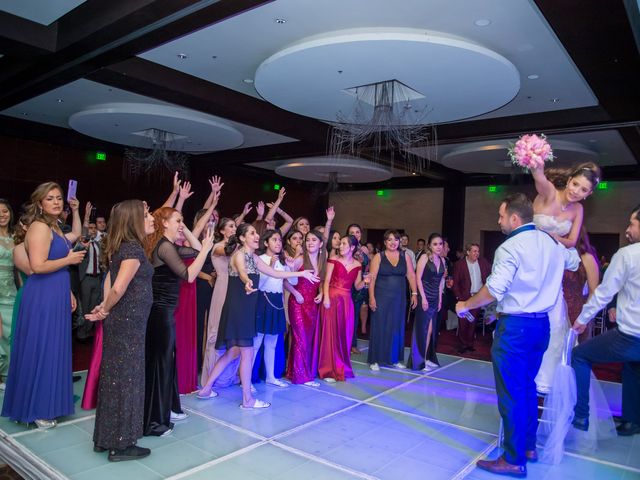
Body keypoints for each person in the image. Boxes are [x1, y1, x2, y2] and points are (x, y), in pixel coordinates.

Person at [456, 193, 580, 477]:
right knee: (527, 388)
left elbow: (494, 290)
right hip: (542, 328)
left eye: (501, 216)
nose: (498, 221)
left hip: (515, 328)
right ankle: (528, 447)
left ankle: (513, 459)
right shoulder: (551, 243)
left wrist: (466, 304)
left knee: (511, 394)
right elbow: (574, 260)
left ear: (514, 218)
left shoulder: (510, 247)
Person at [197, 223, 319, 408]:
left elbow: (275, 273)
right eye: (252, 233)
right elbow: (243, 273)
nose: (256, 236)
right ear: (242, 238)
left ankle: (206, 389)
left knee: (233, 352)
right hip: (239, 309)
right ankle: (247, 400)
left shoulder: (254, 257)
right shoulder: (239, 255)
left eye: (256, 233)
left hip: (245, 308)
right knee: (247, 352)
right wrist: (246, 282)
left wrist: (301, 272)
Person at [2, 182, 85, 429]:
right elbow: (37, 266)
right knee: (42, 348)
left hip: (56, 291)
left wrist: (68, 291)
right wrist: (69, 259)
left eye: (59, 198)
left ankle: (46, 404)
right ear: (40, 204)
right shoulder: (39, 227)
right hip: (42, 295)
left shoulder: (55, 227)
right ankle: (36, 409)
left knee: (53, 348)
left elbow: (69, 244)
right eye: (50, 199)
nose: (57, 202)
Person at [85, 200, 155, 461]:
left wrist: (105, 308)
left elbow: (110, 282)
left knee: (115, 378)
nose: (152, 219)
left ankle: (105, 439)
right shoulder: (133, 250)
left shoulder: (123, 247)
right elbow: (118, 287)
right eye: (146, 215)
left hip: (123, 322)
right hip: (129, 324)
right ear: (134, 220)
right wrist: (105, 309)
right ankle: (122, 445)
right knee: (128, 380)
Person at [143, 206, 214, 436]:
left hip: (166, 312)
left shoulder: (170, 246)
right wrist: (207, 248)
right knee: (161, 364)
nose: (181, 224)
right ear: (164, 223)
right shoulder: (164, 247)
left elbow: (195, 248)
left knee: (167, 363)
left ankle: (166, 409)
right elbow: (190, 275)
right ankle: (155, 420)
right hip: (159, 313)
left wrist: (195, 238)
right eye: (177, 220)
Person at [531, 162, 601, 394]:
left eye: (583, 190)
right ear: (569, 180)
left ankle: (546, 381)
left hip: (555, 262)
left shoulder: (578, 209)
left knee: (557, 326)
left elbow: (571, 241)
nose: (576, 192)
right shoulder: (550, 192)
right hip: (533, 257)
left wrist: (551, 237)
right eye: (575, 184)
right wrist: (534, 161)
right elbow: (539, 177)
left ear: (589, 194)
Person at [571, 205, 640, 436]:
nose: (628, 229)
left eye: (632, 224)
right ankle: (632, 420)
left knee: (580, 355)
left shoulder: (628, 255)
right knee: (632, 368)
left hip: (630, 335)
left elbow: (603, 292)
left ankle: (580, 415)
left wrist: (582, 318)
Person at [318, 235, 368, 382]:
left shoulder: (358, 265)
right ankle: (327, 369)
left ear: (352, 247)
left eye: (344, 244)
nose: (340, 246)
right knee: (329, 332)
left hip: (346, 301)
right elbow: (326, 281)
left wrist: (365, 281)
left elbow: (357, 286)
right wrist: (326, 298)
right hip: (332, 298)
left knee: (343, 334)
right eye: (340, 244)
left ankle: (340, 366)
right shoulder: (333, 260)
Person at [367, 230, 417, 371]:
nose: (393, 242)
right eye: (390, 240)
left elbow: (411, 276)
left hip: (399, 299)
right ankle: (375, 360)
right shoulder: (379, 257)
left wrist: (414, 293)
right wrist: (371, 297)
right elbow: (372, 278)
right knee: (380, 327)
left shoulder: (405, 256)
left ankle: (394, 359)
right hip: (381, 297)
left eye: (396, 239)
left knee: (396, 328)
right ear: (385, 242)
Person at [200, 217, 241, 388]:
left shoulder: (239, 247)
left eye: (235, 226)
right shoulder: (217, 247)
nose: (234, 228)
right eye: (230, 226)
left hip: (237, 289)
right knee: (218, 331)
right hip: (223, 289)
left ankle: (229, 376)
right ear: (222, 230)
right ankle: (212, 377)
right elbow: (228, 251)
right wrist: (239, 241)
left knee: (234, 333)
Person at [251, 230, 290, 388]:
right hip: (263, 300)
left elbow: (290, 282)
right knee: (256, 342)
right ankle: (247, 380)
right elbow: (259, 284)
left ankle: (271, 377)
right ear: (266, 243)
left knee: (272, 343)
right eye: (274, 240)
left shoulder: (282, 260)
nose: (278, 243)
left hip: (277, 302)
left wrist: (290, 265)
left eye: (280, 240)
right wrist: (272, 265)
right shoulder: (260, 259)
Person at [286, 229, 325, 386]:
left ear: (321, 243)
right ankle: (301, 377)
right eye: (308, 240)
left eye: (314, 240)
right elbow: (285, 281)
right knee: (300, 338)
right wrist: (296, 294)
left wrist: (321, 293)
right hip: (298, 303)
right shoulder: (299, 260)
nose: (310, 242)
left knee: (307, 339)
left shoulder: (322, 262)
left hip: (312, 305)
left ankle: (294, 371)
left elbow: (322, 282)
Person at [408, 233, 446, 371]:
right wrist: (422, 297)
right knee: (422, 329)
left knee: (430, 330)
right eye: (435, 244)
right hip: (425, 297)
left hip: (435, 298)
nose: (438, 247)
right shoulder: (424, 257)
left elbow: (441, 280)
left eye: (440, 244)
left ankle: (425, 358)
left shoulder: (442, 260)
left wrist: (440, 299)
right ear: (429, 245)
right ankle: (418, 361)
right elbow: (418, 279)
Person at [563, 226, 599, 344]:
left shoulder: (587, 258)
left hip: (577, 313)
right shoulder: (556, 255)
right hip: (555, 312)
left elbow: (594, 292)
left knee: (575, 355)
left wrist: (585, 317)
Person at [452, 243, 491, 353]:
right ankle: (462, 345)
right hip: (464, 298)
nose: (477, 253)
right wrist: (459, 297)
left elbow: (491, 274)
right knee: (463, 323)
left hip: (477, 298)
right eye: (474, 251)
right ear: (468, 252)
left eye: (478, 251)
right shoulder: (460, 265)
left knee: (472, 322)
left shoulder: (483, 263)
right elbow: (456, 283)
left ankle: (469, 344)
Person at [0, 199, 16, 387]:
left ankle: (7, 374)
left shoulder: (16, 236)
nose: (2, 214)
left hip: (11, 291)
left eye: (5, 211)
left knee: (11, 334)